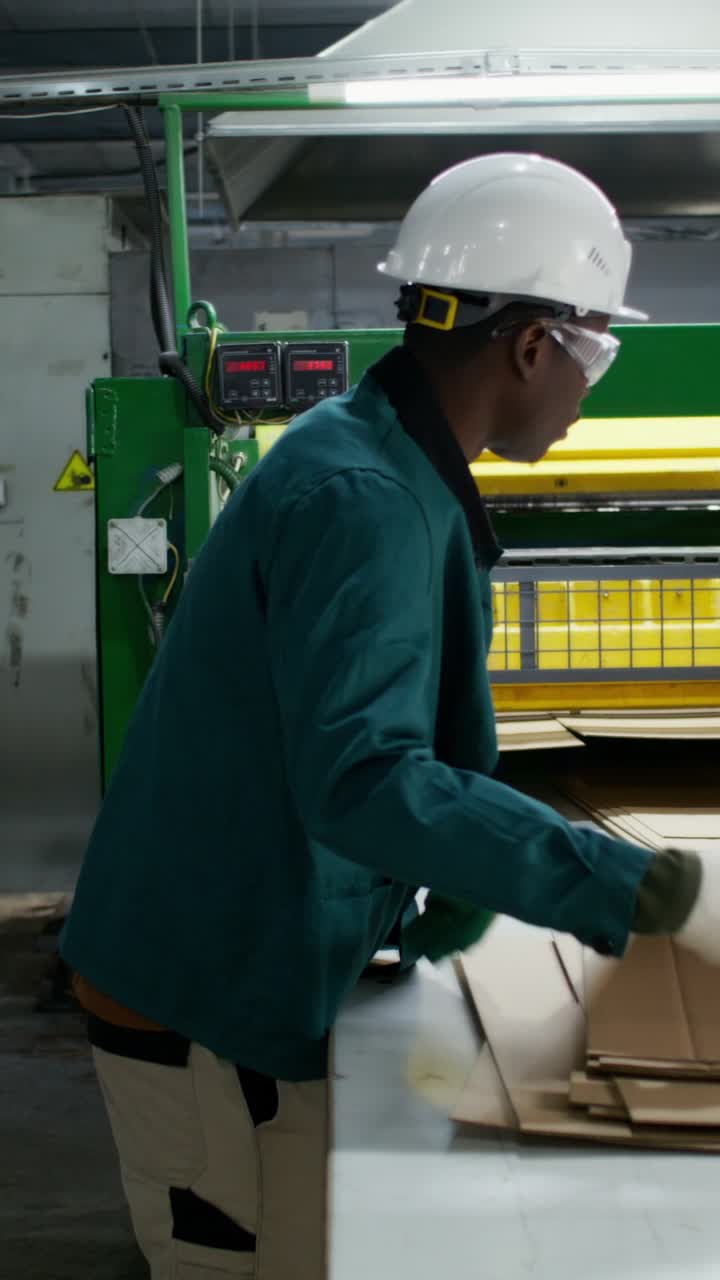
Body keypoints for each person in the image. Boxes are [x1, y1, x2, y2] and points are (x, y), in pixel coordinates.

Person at [61, 153, 718, 1280]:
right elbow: (362, 774)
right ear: (529, 345)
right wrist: (599, 877)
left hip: (244, 944)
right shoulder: (362, 496)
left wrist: (450, 875)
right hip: (196, 992)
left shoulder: (383, 462)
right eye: (597, 347)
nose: (592, 383)